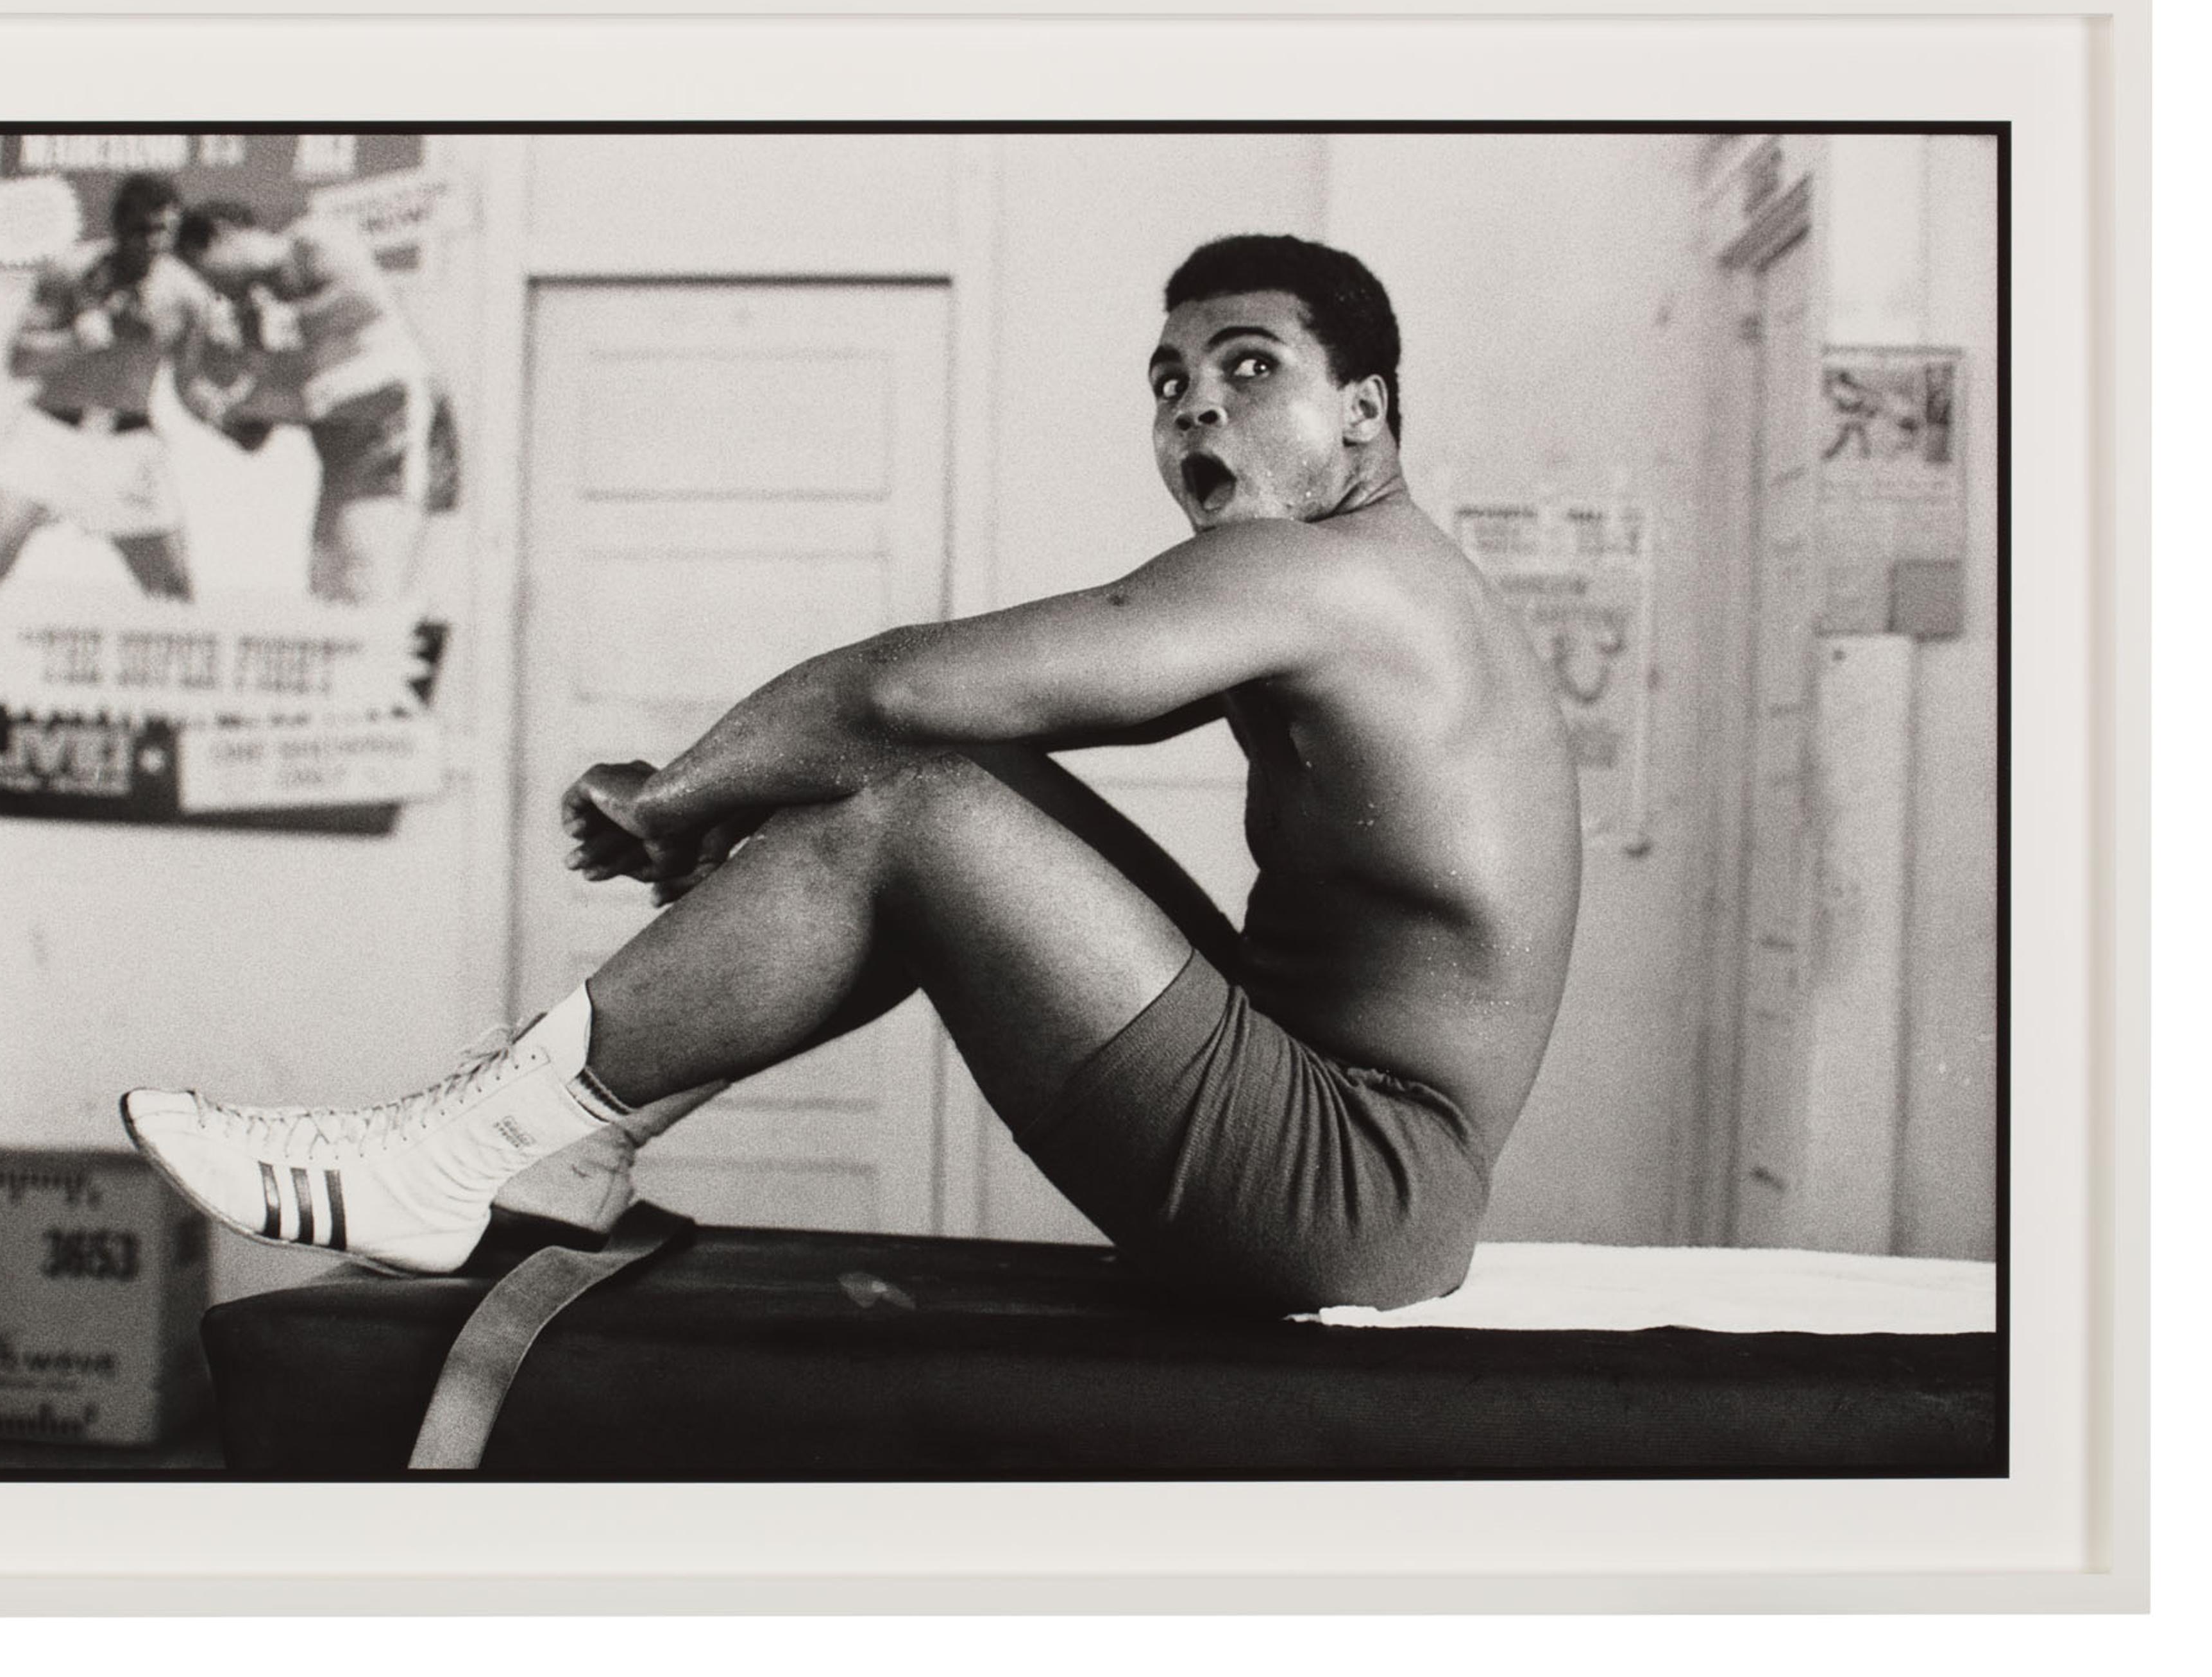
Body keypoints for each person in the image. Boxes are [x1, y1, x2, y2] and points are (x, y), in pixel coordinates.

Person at [125, 233, 1583, 1315]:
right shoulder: (1383, 584)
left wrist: (679, 790)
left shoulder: (1331, 579)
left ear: (1365, 411)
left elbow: (902, 685)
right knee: (951, 768)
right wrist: (766, 791)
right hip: (1341, 1140)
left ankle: (461, 1146)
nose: (1195, 408)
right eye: (1170, 382)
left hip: (1349, 1188)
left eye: (1249, 370)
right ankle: (548, 1150)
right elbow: (945, 714)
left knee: (919, 789)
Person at [174, 201, 460, 605]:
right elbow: (255, 435)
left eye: (205, 271)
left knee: (372, 582)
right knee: (327, 587)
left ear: (223, 235)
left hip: (395, 425)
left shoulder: (312, 239)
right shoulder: (249, 315)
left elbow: (361, 299)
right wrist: (213, 407)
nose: (213, 289)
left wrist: (278, 324)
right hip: (342, 455)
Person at [0, 174, 229, 602]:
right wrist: (88, 335)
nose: (152, 242)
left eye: (163, 230)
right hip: (47, 437)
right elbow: (19, 361)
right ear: (118, 225)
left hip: (126, 446)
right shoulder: (71, 271)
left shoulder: (187, 295)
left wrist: (226, 407)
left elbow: (188, 386)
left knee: (174, 592)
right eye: (141, 230)